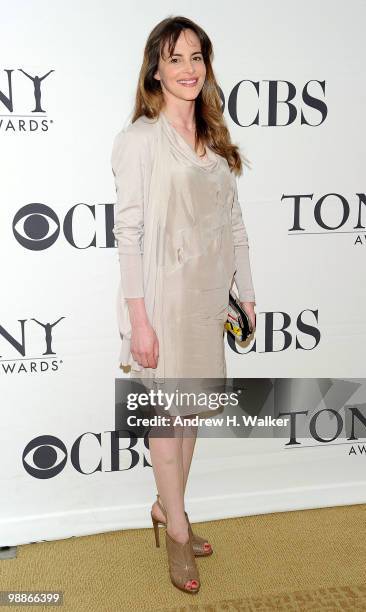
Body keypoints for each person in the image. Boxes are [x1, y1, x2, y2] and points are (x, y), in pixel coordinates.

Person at [111, 15, 256, 594]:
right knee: (168, 424)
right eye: (175, 59)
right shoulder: (140, 141)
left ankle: (166, 507)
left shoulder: (217, 142)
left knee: (190, 417)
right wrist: (138, 320)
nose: (188, 69)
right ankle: (178, 534)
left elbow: (235, 226)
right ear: (156, 69)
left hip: (205, 304)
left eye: (197, 58)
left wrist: (246, 293)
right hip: (163, 306)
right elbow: (130, 235)